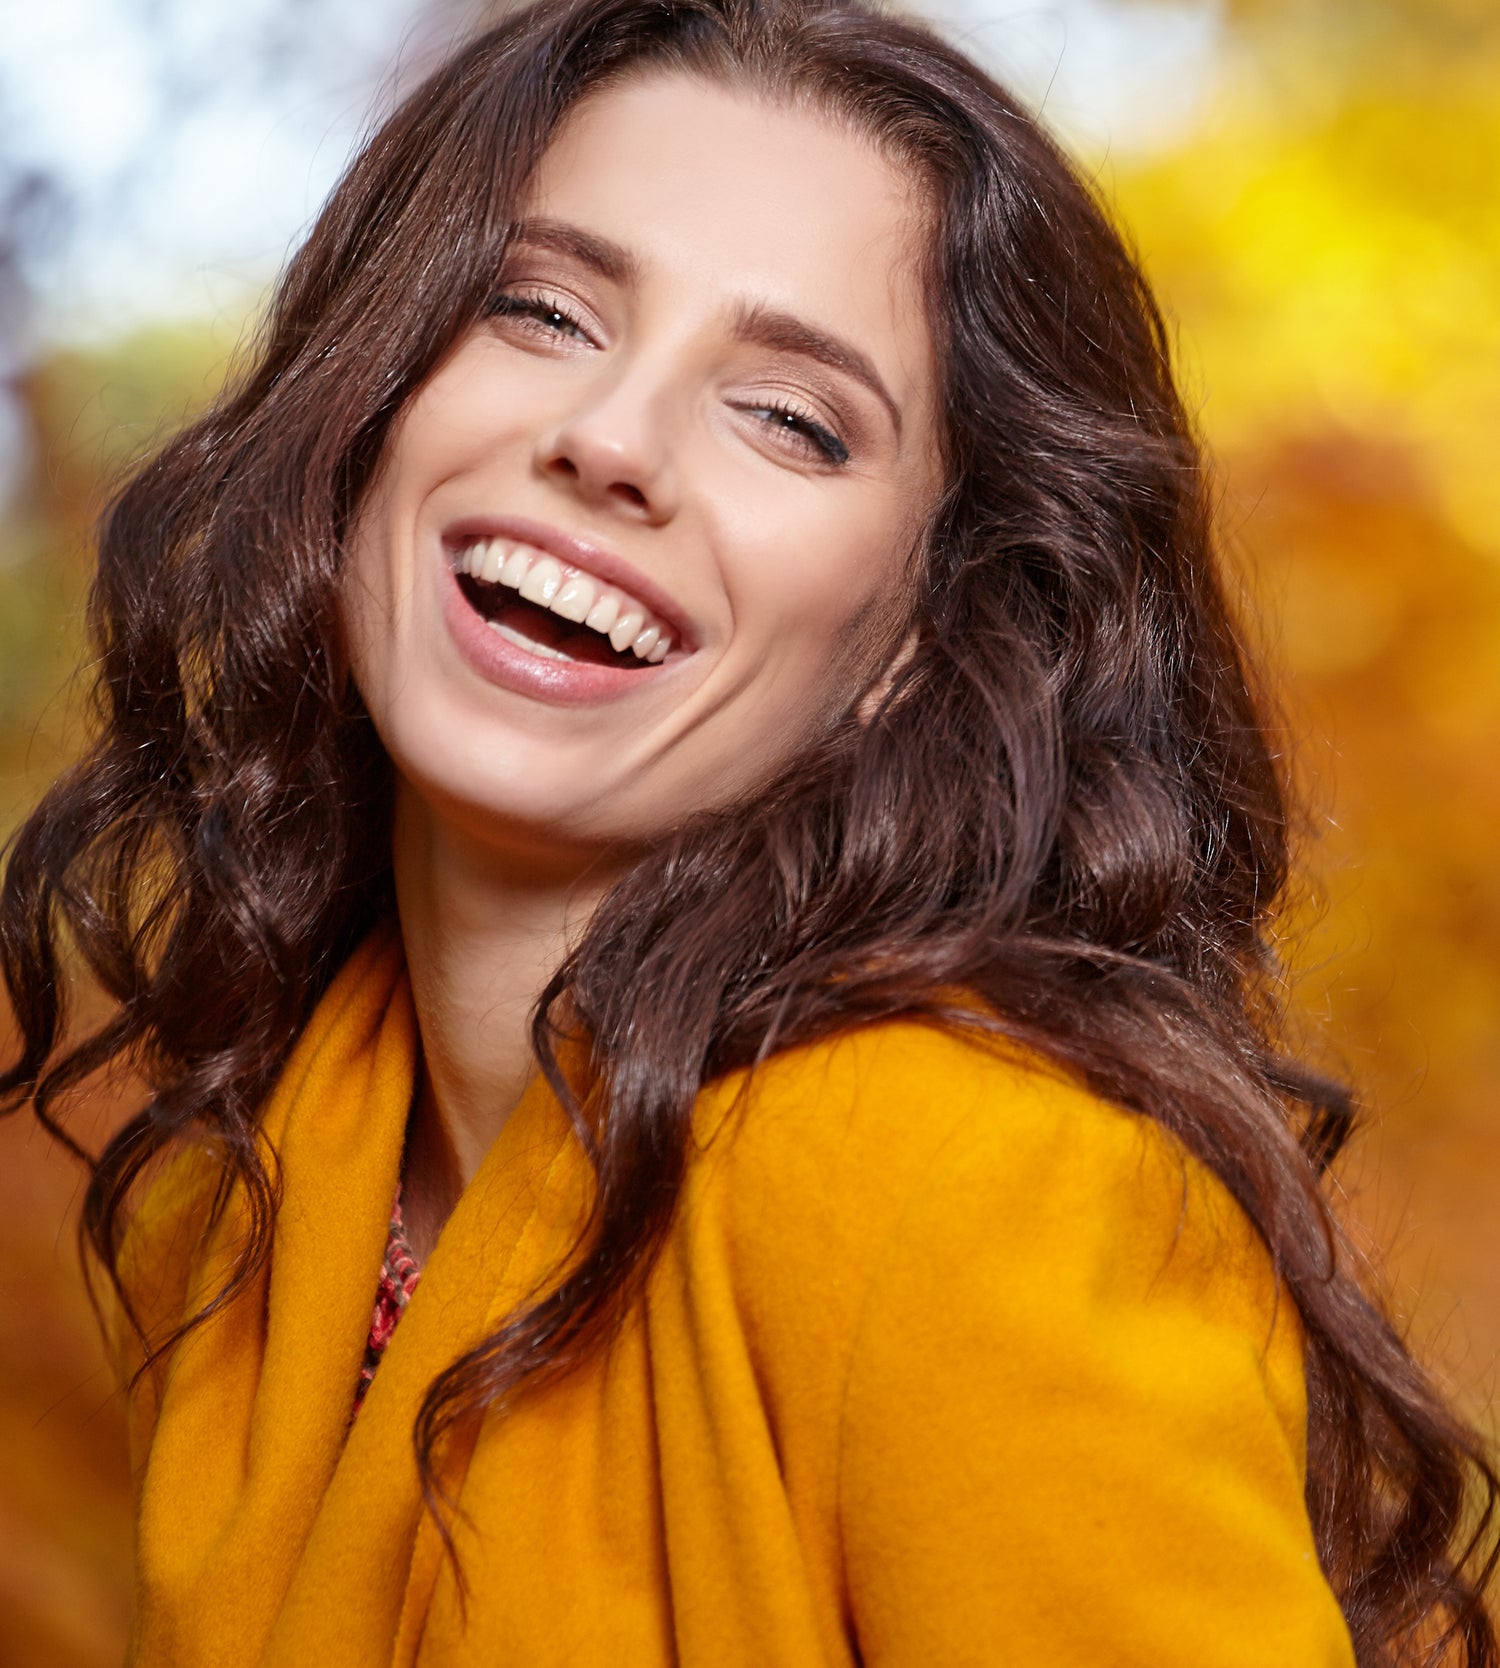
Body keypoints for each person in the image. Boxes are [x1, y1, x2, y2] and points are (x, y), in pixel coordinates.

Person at [2, 0, 1494, 1661]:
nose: (611, 442)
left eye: (792, 417)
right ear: (375, 396)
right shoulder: (257, 1179)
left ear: (923, 636)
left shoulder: (966, 1181)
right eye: (544, 308)